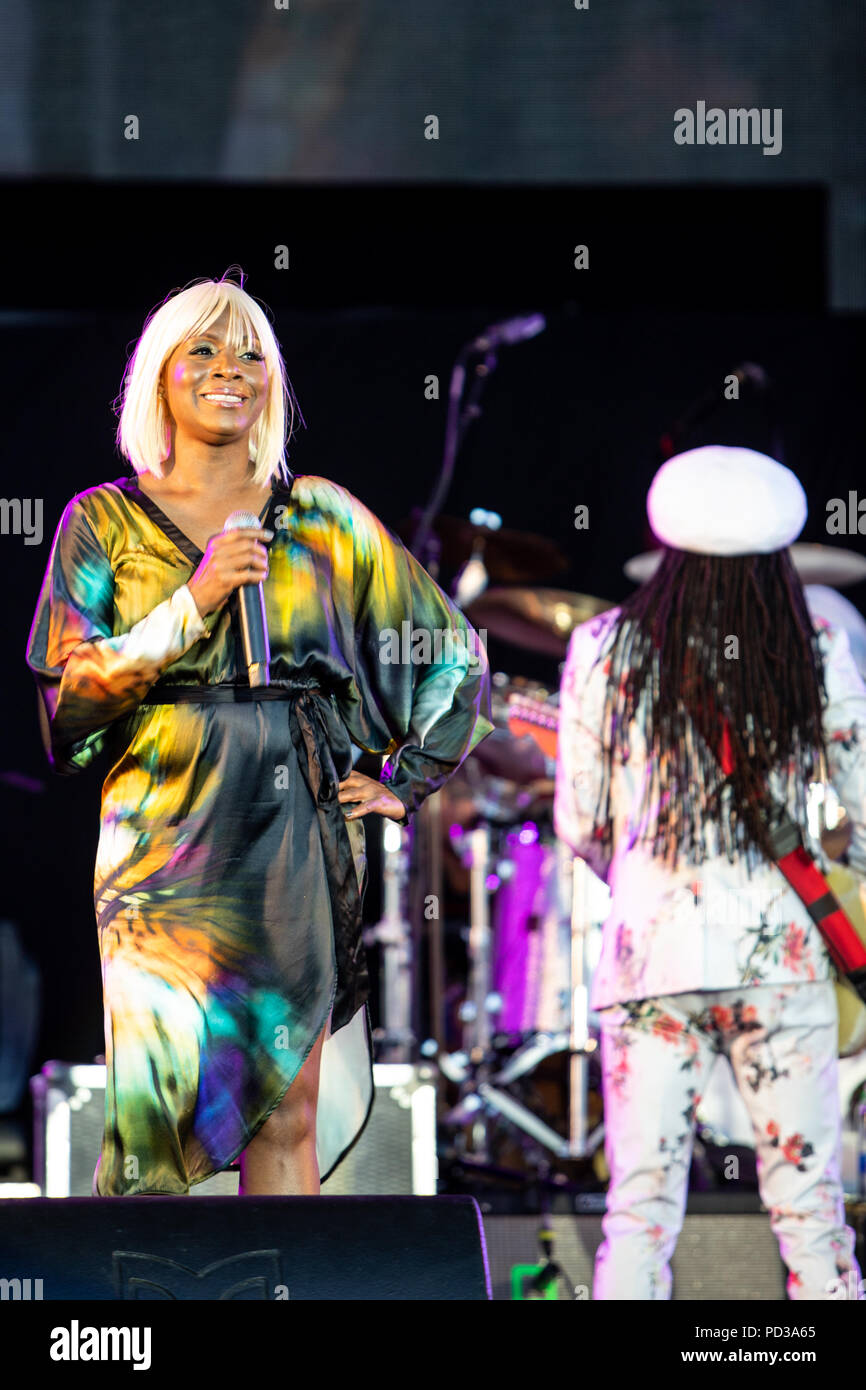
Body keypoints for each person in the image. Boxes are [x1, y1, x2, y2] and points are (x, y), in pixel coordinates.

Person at [25, 273, 493, 1197]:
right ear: (160, 374)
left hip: (295, 840)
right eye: (203, 349)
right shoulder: (101, 520)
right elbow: (68, 701)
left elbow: (452, 655)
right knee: (153, 1123)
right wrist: (190, 605)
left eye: (251, 354)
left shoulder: (319, 516)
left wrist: (408, 774)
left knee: (289, 1115)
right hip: (163, 848)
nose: (228, 369)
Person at [554, 444, 865, 1300]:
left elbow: (580, 820)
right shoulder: (815, 646)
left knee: (639, 1210)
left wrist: (643, 883)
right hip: (782, 963)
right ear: (778, 556)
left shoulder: (604, 648)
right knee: (811, 1209)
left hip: (649, 962)